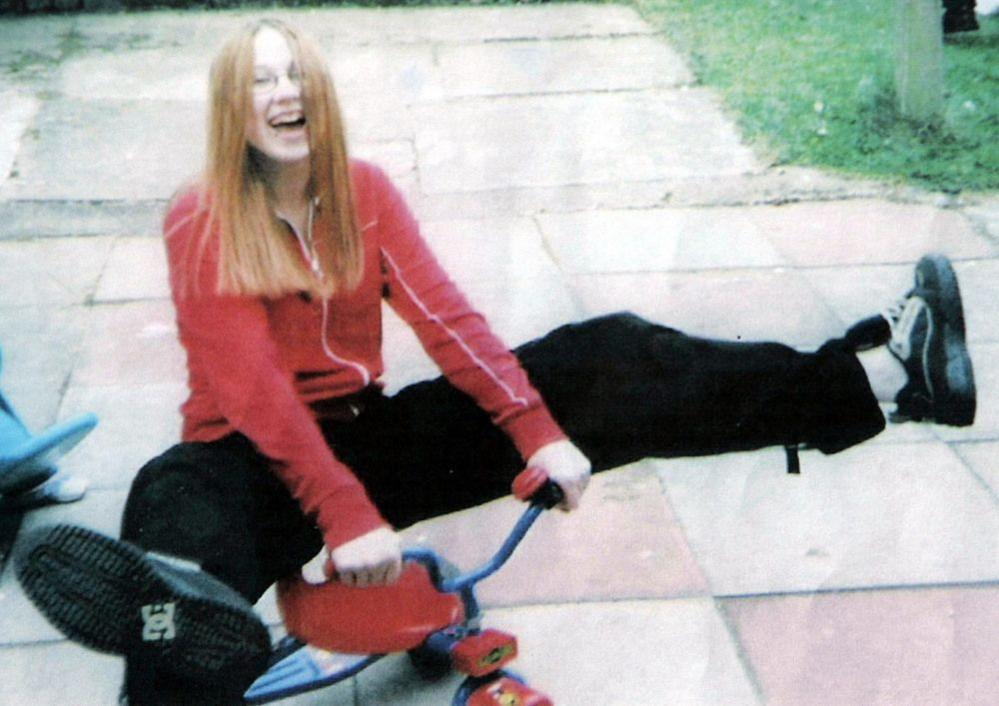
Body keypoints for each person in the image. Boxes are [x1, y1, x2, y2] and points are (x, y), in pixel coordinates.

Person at [15, 18, 976, 706]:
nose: (284, 92)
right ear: (234, 106)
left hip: (364, 436)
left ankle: (888, 379)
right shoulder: (201, 214)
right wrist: (342, 516)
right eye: (261, 80)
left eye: (297, 74)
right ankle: (177, 631)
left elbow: (449, 319)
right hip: (243, 457)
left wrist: (538, 429)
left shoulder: (363, 193)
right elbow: (246, 385)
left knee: (608, 356)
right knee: (175, 529)